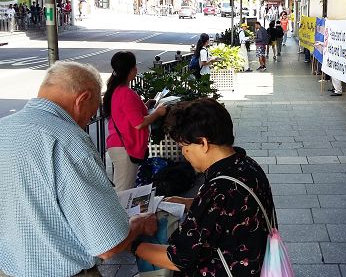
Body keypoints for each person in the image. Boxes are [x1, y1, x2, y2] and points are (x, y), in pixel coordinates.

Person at [0, 61, 157, 276]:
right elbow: (108, 244)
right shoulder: (70, 141)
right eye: (90, 115)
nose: (86, 123)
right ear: (82, 99)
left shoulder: (4, 128)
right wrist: (138, 224)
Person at [132, 98, 275, 277]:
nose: (184, 153)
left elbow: (179, 258)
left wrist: (133, 244)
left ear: (203, 143)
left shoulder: (218, 189)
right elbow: (232, 210)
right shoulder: (246, 164)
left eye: (184, 147)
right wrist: (190, 202)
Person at [103, 51, 167, 192]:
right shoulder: (126, 93)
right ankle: (121, 214)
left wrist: (146, 106)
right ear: (131, 70)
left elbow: (126, 115)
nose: (136, 69)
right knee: (123, 191)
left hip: (120, 144)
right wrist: (158, 113)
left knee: (123, 187)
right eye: (134, 66)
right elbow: (138, 123)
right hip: (125, 146)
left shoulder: (116, 90)